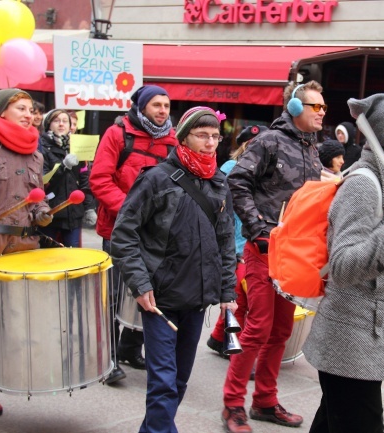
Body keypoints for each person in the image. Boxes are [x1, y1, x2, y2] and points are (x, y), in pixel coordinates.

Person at [303, 93, 384, 433]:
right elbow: (343, 265)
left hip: (369, 341)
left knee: (334, 422)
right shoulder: (364, 184)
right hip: (351, 341)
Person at [111, 105, 237, 433]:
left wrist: (227, 291)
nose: (211, 142)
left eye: (215, 136)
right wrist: (140, 284)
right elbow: (123, 234)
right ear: (184, 137)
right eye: (202, 135)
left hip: (197, 299)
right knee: (164, 384)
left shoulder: (220, 182)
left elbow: (225, 242)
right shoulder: (156, 178)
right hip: (161, 299)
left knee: (179, 381)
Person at [222, 81, 325, 433]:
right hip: (264, 250)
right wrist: (259, 229)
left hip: (294, 255)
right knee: (258, 326)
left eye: (324, 107)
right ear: (295, 109)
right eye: (316, 107)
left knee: (281, 328)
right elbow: (236, 180)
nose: (322, 112)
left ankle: (265, 400)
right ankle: (233, 404)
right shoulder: (269, 140)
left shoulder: (313, 149)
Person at [89, 85, 178, 383]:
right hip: (118, 229)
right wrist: (131, 213)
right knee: (113, 295)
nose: (163, 110)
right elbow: (99, 180)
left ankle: (130, 347)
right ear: (141, 106)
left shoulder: (173, 140)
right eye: (156, 104)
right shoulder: (117, 134)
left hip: (156, 232)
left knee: (148, 290)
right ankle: (107, 358)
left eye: (166, 105)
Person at [0, 88, 52, 420]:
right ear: (0, 111)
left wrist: (43, 211)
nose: (29, 114)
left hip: (24, 249)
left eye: (31, 109)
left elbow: (35, 195)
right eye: (20, 108)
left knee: (12, 325)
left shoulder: (34, 152)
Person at [207, 124, 268, 360]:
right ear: (245, 145)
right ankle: (233, 346)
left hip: (249, 241)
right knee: (240, 300)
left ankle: (219, 338)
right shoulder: (231, 168)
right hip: (233, 243)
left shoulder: (265, 171)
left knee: (237, 296)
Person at [38, 109, 95, 247]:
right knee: (48, 257)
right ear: (48, 125)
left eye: (65, 121)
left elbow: (84, 180)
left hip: (74, 214)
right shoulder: (42, 147)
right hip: (51, 213)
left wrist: (89, 208)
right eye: (56, 121)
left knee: (73, 257)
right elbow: (44, 180)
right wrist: (63, 166)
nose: (61, 124)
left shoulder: (77, 147)